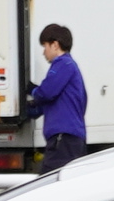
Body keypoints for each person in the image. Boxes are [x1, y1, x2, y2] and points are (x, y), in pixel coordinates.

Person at [18, 23, 87, 168]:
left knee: (50, 182)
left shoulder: (63, 64)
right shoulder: (71, 68)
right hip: (70, 139)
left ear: (55, 45)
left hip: (63, 139)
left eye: (45, 46)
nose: (44, 52)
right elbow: (52, 101)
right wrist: (31, 108)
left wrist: (31, 91)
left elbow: (46, 93)